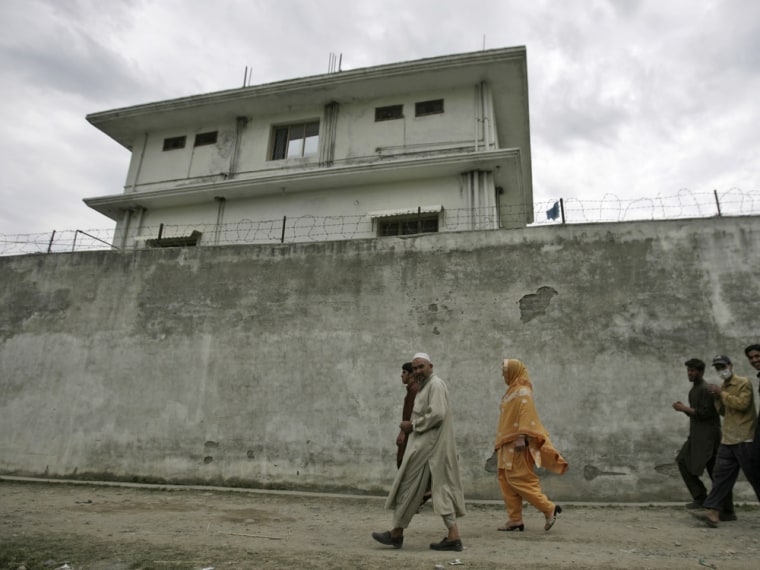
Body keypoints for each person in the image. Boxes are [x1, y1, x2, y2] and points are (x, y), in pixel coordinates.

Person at [372, 352, 466, 551]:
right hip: (425, 447)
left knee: (425, 488)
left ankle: (400, 533)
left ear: (430, 366)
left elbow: (437, 414)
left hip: (430, 448)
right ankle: (402, 533)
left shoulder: (435, 385)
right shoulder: (424, 387)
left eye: (421, 367)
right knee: (422, 488)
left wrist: (413, 425)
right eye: (415, 368)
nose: (417, 371)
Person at [494, 358, 568, 532]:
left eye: (505, 370)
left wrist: (521, 436)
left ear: (514, 370)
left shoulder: (522, 391)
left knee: (519, 479)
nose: (502, 374)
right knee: (506, 480)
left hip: (517, 444)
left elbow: (526, 414)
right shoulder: (512, 391)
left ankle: (548, 508)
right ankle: (515, 520)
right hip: (506, 442)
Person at [694, 355, 760, 527]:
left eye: (722, 366)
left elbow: (743, 405)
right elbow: (725, 412)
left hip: (745, 437)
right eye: (717, 367)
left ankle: (716, 511)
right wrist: (717, 399)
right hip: (728, 438)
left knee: (756, 477)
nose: (720, 370)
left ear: (731, 365)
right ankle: (713, 513)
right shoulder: (722, 386)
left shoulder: (743, 382)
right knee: (721, 477)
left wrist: (720, 393)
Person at [672, 358, 734, 518]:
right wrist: (685, 409)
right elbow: (696, 413)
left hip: (709, 437)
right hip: (697, 436)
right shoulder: (694, 390)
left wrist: (684, 408)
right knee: (683, 461)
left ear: (701, 372)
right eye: (688, 370)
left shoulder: (706, 389)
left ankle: (727, 510)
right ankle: (701, 497)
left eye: (693, 371)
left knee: (716, 473)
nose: (690, 373)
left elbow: (706, 413)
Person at [396, 362, 419, 469]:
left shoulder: (414, 390)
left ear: (411, 374)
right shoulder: (411, 389)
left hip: (410, 432)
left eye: (404, 372)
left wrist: (403, 432)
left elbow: (410, 414)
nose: (402, 375)